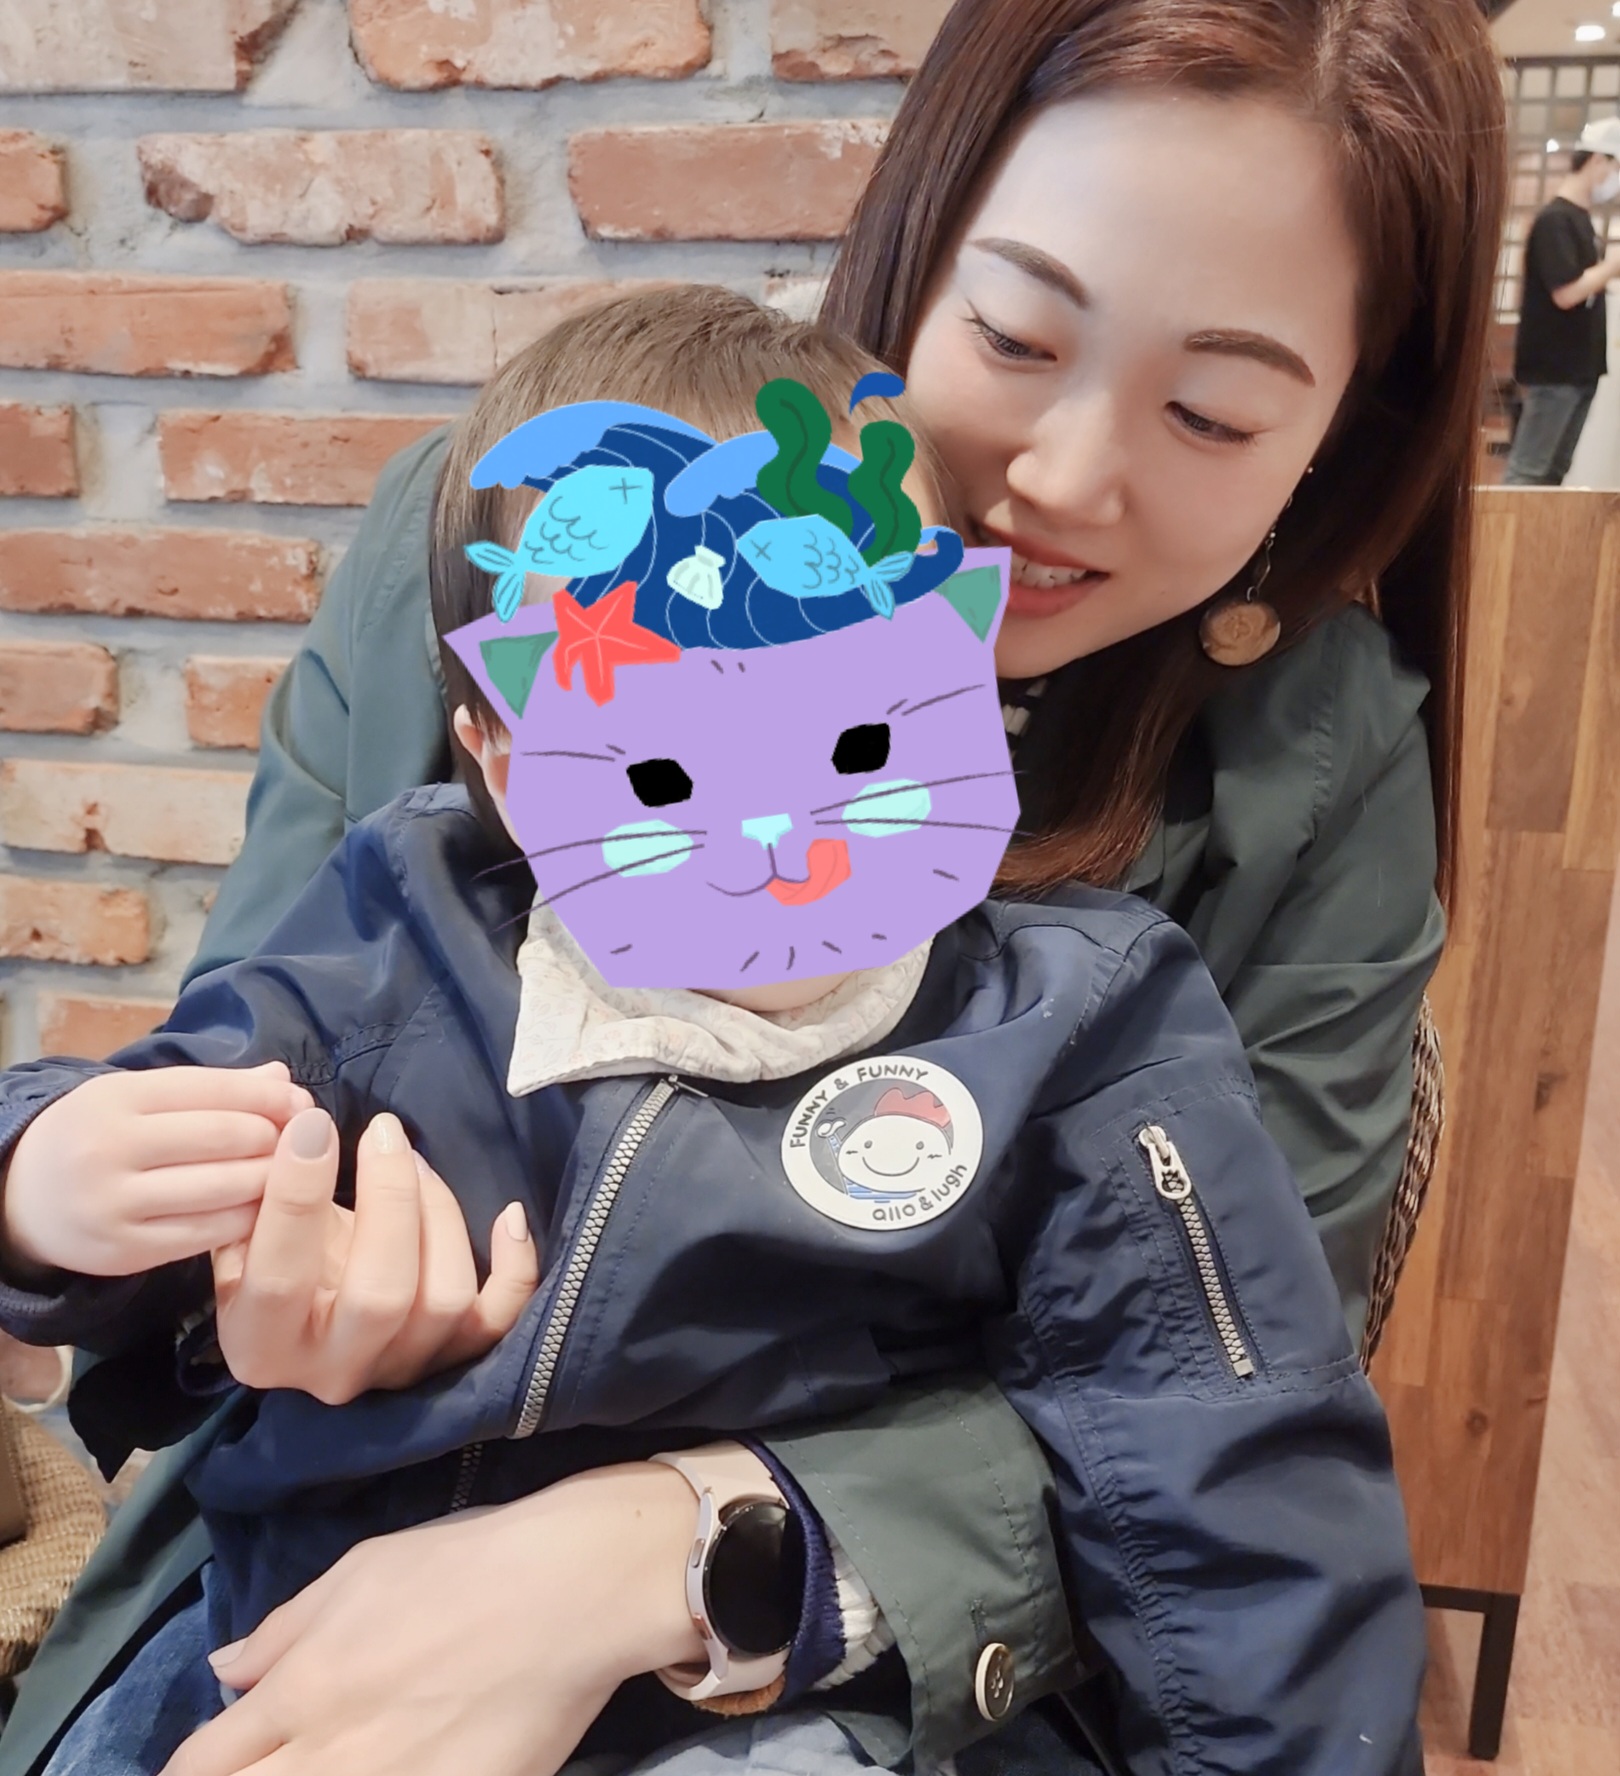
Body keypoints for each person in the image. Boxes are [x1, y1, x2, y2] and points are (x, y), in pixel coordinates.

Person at [0, 5, 1507, 1776]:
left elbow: (1224, 1409)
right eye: (1016, 336)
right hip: (308, 1588)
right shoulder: (515, 568)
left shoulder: (1152, 934)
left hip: (854, 1686)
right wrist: (146, 1239)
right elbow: (217, 1078)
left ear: (1342, 430)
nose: (1064, 480)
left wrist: (687, 1544)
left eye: (1212, 412)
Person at [1504, 116, 1620, 486]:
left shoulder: (1580, 220)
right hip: (1556, 371)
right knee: (1529, 472)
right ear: (1598, 160)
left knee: (1552, 474)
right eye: (1616, 168)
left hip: (1580, 369)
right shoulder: (1555, 220)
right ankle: (1505, 528)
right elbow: (1566, 292)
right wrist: (1612, 266)